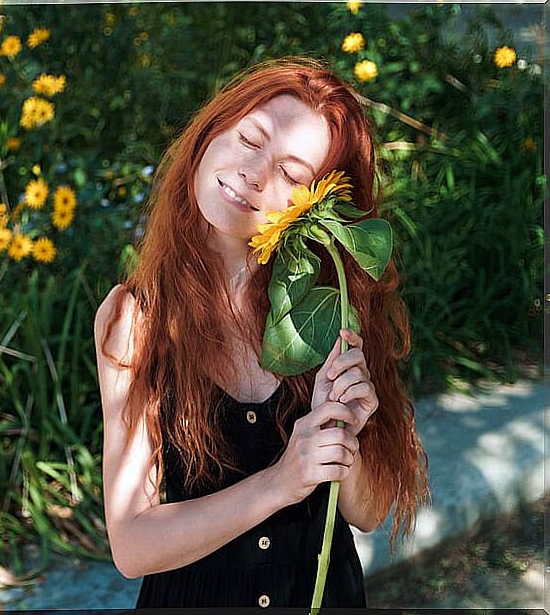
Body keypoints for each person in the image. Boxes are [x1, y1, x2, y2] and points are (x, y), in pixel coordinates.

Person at [93, 57, 430, 609]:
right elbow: (132, 545)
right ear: (212, 131)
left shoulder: (326, 307)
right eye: (249, 139)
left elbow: (369, 513)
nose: (254, 173)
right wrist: (281, 482)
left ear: (316, 206)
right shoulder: (137, 319)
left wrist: (345, 435)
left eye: (292, 174)